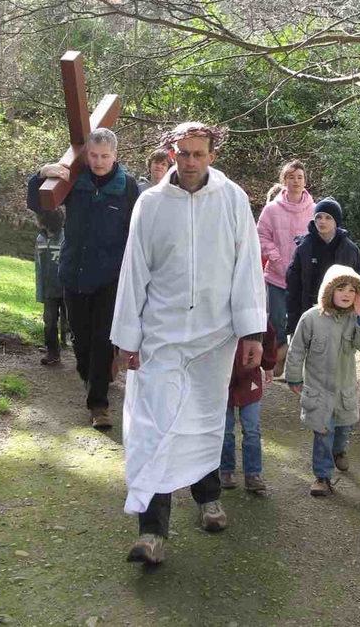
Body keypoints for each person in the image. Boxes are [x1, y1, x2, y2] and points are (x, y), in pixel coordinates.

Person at [111, 121, 266, 566]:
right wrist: (128, 338)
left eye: (199, 154)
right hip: (160, 333)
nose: (191, 161)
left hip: (214, 337)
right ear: (171, 152)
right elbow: (134, 272)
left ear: (212, 154)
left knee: (202, 418)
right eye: (183, 153)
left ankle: (208, 498)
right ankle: (152, 531)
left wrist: (252, 331)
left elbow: (246, 268)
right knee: (154, 424)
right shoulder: (151, 204)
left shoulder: (233, 199)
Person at [27, 128, 138, 431]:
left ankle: (99, 404)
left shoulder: (128, 188)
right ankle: (92, 377)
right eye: (94, 155)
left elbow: (140, 232)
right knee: (81, 339)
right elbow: (38, 203)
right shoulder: (74, 181)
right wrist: (41, 174)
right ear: (86, 154)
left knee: (102, 339)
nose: (99, 161)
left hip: (109, 277)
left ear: (116, 155)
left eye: (105, 156)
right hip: (73, 272)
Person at [285, 265, 360, 496]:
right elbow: (296, 350)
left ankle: (340, 451)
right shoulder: (311, 318)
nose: (347, 294)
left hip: (344, 390)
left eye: (353, 290)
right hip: (319, 389)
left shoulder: (356, 319)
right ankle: (322, 477)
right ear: (328, 291)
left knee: (343, 428)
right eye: (340, 288)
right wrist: (294, 376)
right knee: (323, 432)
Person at [257, 160, 314, 376]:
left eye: (299, 177)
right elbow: (261, 235)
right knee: (276, 319)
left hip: (302, 278)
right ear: (284, 181)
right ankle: (279, 351)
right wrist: (275, 256)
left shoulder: (314, 209)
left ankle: (295, 362)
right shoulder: (271, 209)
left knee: (300, 320)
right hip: (276, 276)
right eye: (291, 177)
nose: (296, 181)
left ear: (305, 181)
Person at [286, 197, 360, 340]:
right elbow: (293, 286)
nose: (322, 221)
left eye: (328, 218)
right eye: (319, 217)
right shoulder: (304, 247)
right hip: (310, 309)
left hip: (341, 313)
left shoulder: (349, 249)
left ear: (336, 222)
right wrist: (293, 322)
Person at [220, 320, 278, 495]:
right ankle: (225, 470)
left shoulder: (254, 314)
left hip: (249, 380)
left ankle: (253, 474)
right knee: (225, 430)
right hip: (222, 381)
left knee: (252, 429)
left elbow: (269, 336)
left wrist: (268, 366)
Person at [34, 208, 67, 366]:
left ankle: (82, 354)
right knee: (49, 322)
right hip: (49, 290)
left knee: (75, 323)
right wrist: (40, 290)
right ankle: (52, 352)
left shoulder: (66, 237)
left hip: (68, 289)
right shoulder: (40, 239)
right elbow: (38, 267)